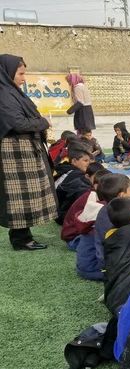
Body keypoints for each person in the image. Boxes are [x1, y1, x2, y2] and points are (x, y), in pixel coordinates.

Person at [0, 54, 58, 251]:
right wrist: (43, 123)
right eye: (21, 73)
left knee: (24, 195)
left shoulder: (11, 92)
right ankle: (21, 239)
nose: (24, 78)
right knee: (19, 196)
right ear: (8, 73)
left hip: (22, 149)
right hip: (14, 152)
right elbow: (17, 123)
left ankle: (23, 236)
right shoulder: (3, 94)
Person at [93, 173, 130, 279]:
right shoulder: (118, 218)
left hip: (106, 259)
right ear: (121, 195)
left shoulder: (106, 208)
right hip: (113, 267)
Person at [60, 163, 107, 249]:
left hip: (79, 232)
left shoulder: (97, 194)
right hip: (74, 238)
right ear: (96, 186)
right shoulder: (92, 198)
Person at [54, 146, 93, 226]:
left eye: (90, 161)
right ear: (74, 161)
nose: (89, 164)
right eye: (85, 160)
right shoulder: (77, 175)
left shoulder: (65, 169)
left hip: (56, 211)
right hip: (63, 216)